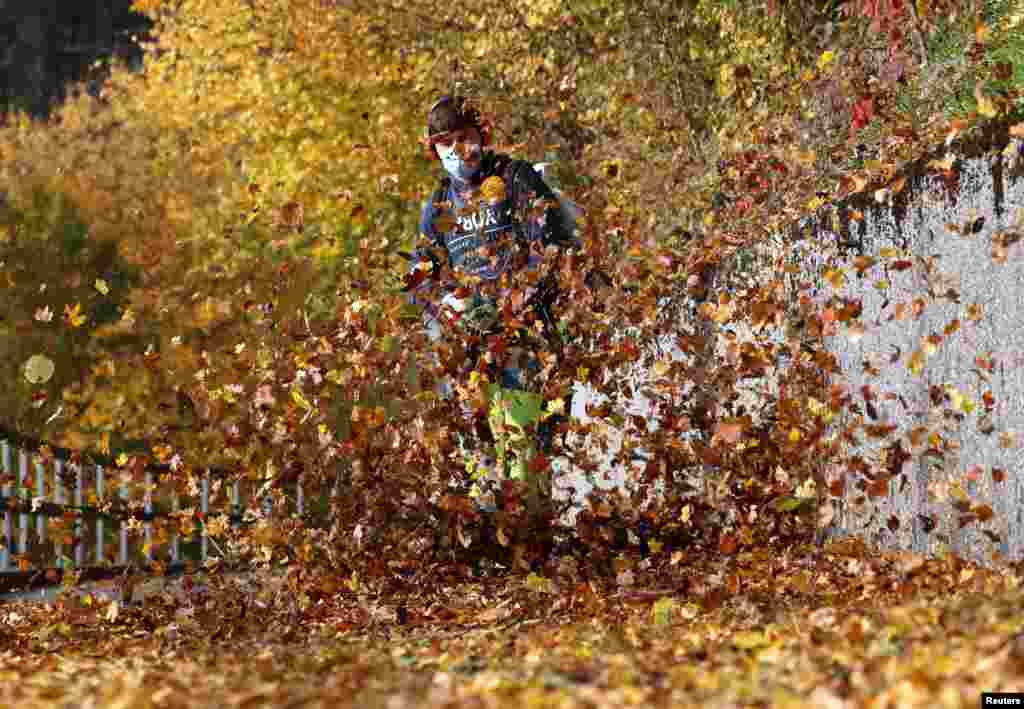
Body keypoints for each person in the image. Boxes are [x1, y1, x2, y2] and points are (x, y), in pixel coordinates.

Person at [404, 95, 579, 513]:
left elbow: (549, 244)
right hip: (469, 341)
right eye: (445, 143)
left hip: (524, 329)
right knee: (474, 441)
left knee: (524, 441)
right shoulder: (441, 205)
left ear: (483, 137)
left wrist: (514, 301)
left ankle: (532, 531)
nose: (457, 150)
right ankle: (487, 533)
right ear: (434, 150)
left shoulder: (514, 178)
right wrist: (443, 300)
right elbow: (421, 272)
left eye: (464, 138)